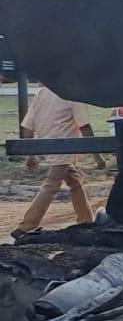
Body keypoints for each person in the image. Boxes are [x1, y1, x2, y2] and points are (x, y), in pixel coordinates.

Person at [16, 82, 104, 234]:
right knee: (51, 185)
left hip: (47, 145)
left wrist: (31, 153)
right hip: (65, 146)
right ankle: (26, 226)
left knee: (74, 181)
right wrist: (98, 156)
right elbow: (84, 126)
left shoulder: (42, 93)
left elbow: (28, 126)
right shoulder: (73, 93)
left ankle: (86, 219)